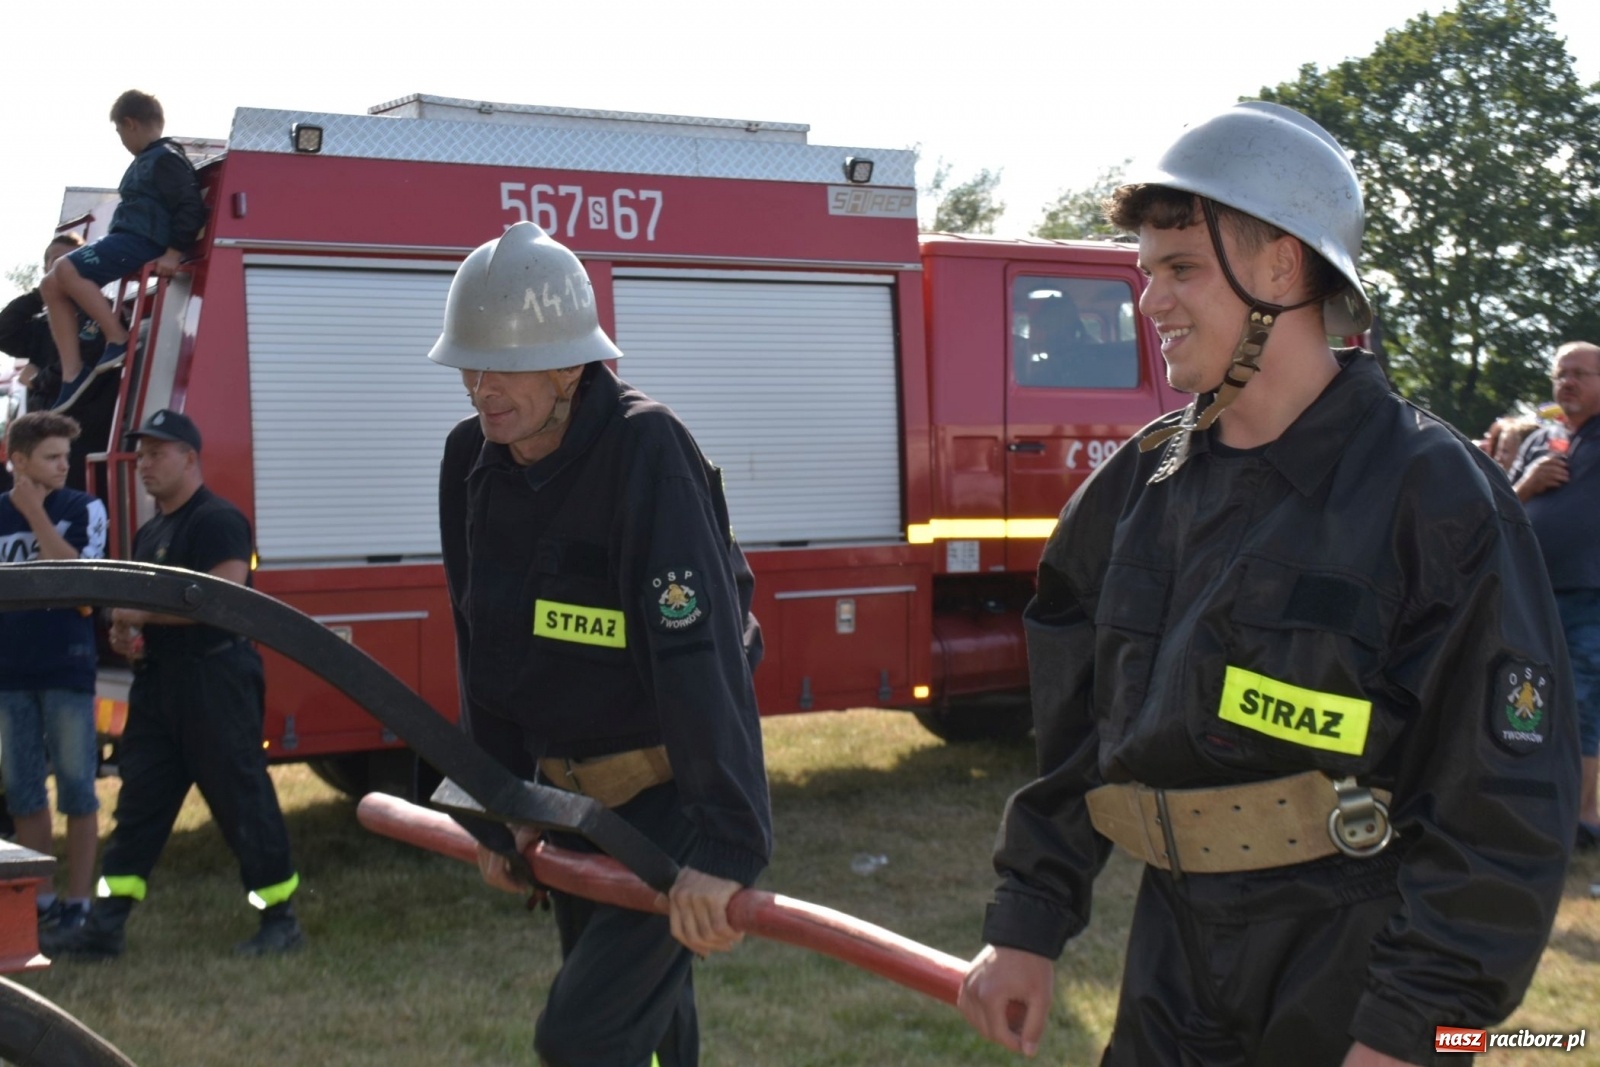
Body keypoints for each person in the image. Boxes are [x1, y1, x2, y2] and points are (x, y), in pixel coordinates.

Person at [958, 102, 1577, 1067]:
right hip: (1171, 957)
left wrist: (1415, 1029)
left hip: (1353, 960)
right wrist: (1028, 921)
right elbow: (1077, 737)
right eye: (1146, 271)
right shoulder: (1133, 489)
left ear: (1282, 266)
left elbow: (1500, 801)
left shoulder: (1434, 494)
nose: (1149, 303)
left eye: (1181, 270)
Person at [433, 221, 771, 1067]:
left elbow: (700, 657)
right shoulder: (469, 459)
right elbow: (480, 639)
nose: (482, 388)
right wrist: (495, 806)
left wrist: (727, 845)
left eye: (504, 365)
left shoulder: (645, 451)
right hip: (566, 804)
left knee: (583, 1036)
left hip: (668, 806)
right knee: (648, 1023)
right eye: (471, 364)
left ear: (570, 363)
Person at [42, 409, 304, 961]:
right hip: (160, 687)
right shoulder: (152, 528)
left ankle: (280, 921)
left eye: (157, 454)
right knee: (139, 805)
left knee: (242, 803)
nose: (144, 465)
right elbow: (144, 612)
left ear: (191, 458)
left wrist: (138, 615)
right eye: (140, 456)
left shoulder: (217, 521)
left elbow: (223, 602)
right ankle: (105, 926)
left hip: (216, 682)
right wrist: (127, 630)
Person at [0, 412, 108, 933]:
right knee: (22, 791)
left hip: (67, 668)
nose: (65, 465)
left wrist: (35, 514)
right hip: (9, 675)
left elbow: (78, 585)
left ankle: (79, 903)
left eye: (67, 455)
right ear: (16, 460)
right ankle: (37, 902)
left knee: (77, 789)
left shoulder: (83, 507)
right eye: (51, 456)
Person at [39, 90, 204, 413]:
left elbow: (190, 206)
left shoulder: (166, 158)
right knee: (50, 282)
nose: (121, 140)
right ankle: (72, 373)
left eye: (119, 133)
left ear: (129, 124)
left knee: (67, 269)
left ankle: (118, 338)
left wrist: (173, 252)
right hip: (129, 239)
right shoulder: (148, 159)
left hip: (144, 241)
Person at [1508, 341, 1600, 852]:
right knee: (1526, 701)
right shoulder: (1540, 440)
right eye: (1560, 374)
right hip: (1531, 592)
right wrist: (1527, 482)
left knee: (1583, 703)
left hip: (1591, 594)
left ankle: (1584, 817)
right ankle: (1534, 803)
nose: (1566, 383)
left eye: (1579, 375)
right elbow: (1497, 502)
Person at [0, 234, 119, 492]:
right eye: (53, 265)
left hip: (82, 442)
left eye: (67, 264)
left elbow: (80, 370)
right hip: (44, 441)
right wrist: (42, 292)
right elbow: (4, 333)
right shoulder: (45, 321)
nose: (60, 271)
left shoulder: (100, 314)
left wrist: (36, 379)